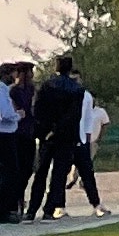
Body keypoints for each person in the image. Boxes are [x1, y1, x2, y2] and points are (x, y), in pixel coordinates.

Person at [26, 61, 85, 222]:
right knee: (59, 175)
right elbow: (74, 116)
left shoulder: (47, 86)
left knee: (41, 172)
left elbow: (37, 109)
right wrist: (59, 129)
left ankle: (32, 209)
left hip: (47, 135)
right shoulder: (76, 89)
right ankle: (49, 209)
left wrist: (43, 130)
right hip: (66, 136)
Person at [0, 63, 32, 223]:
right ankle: (5, 209)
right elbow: (5, 113)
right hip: (5, 134)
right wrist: (18, 115)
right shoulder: (3, 90)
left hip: (8, 134)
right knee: (10, 172)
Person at [71, 81, 107, 216]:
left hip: (86, 141)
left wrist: (90, 138)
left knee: (87, 170)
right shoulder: (70, 99)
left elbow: (90, 122)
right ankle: (56, 204)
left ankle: (96, 203)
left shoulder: (90, 102)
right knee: (63, 170)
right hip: (70, 140)